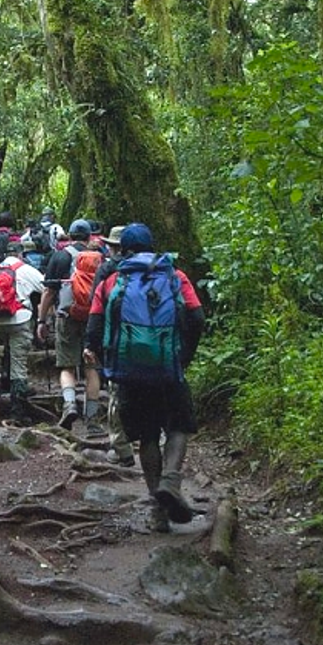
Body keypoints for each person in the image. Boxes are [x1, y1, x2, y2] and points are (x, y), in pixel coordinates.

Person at [83, 222, 206, 531]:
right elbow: (197, 317)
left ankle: (158, 511)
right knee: (179, 426)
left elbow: (95, 326)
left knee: (147, 437)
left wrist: (104, 361)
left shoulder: (112, 281)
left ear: (123, 250)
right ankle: (171, 480)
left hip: (129, 373)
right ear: (153, 246)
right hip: (169, 368)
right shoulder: (175, 277)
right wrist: (183, 356)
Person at [36, 219, 105, 433]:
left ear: (70, 235)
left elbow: (49, 292)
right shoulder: (100, 258)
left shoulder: (60, 256)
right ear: (89, 236)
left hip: (66, 316)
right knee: (91, 367)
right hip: (94, 318)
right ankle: (92, 420)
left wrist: (41, 320)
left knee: (67, 366)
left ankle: (70, 404)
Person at [0, 235, 45, 423]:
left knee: (9, 349)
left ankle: (6, 384)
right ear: (20, 254)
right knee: (19, 362)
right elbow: (45, 287)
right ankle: (17, 411)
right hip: (20, 320)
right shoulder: (26, 269)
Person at [92, 226, 131, 462]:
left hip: (116, 344)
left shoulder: (107, 270)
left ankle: (121, 449)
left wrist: (92, 344)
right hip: (155, 342)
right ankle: (155, 442)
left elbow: (95, 307)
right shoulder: (158, 271)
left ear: (112, 247)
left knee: (116, 396)